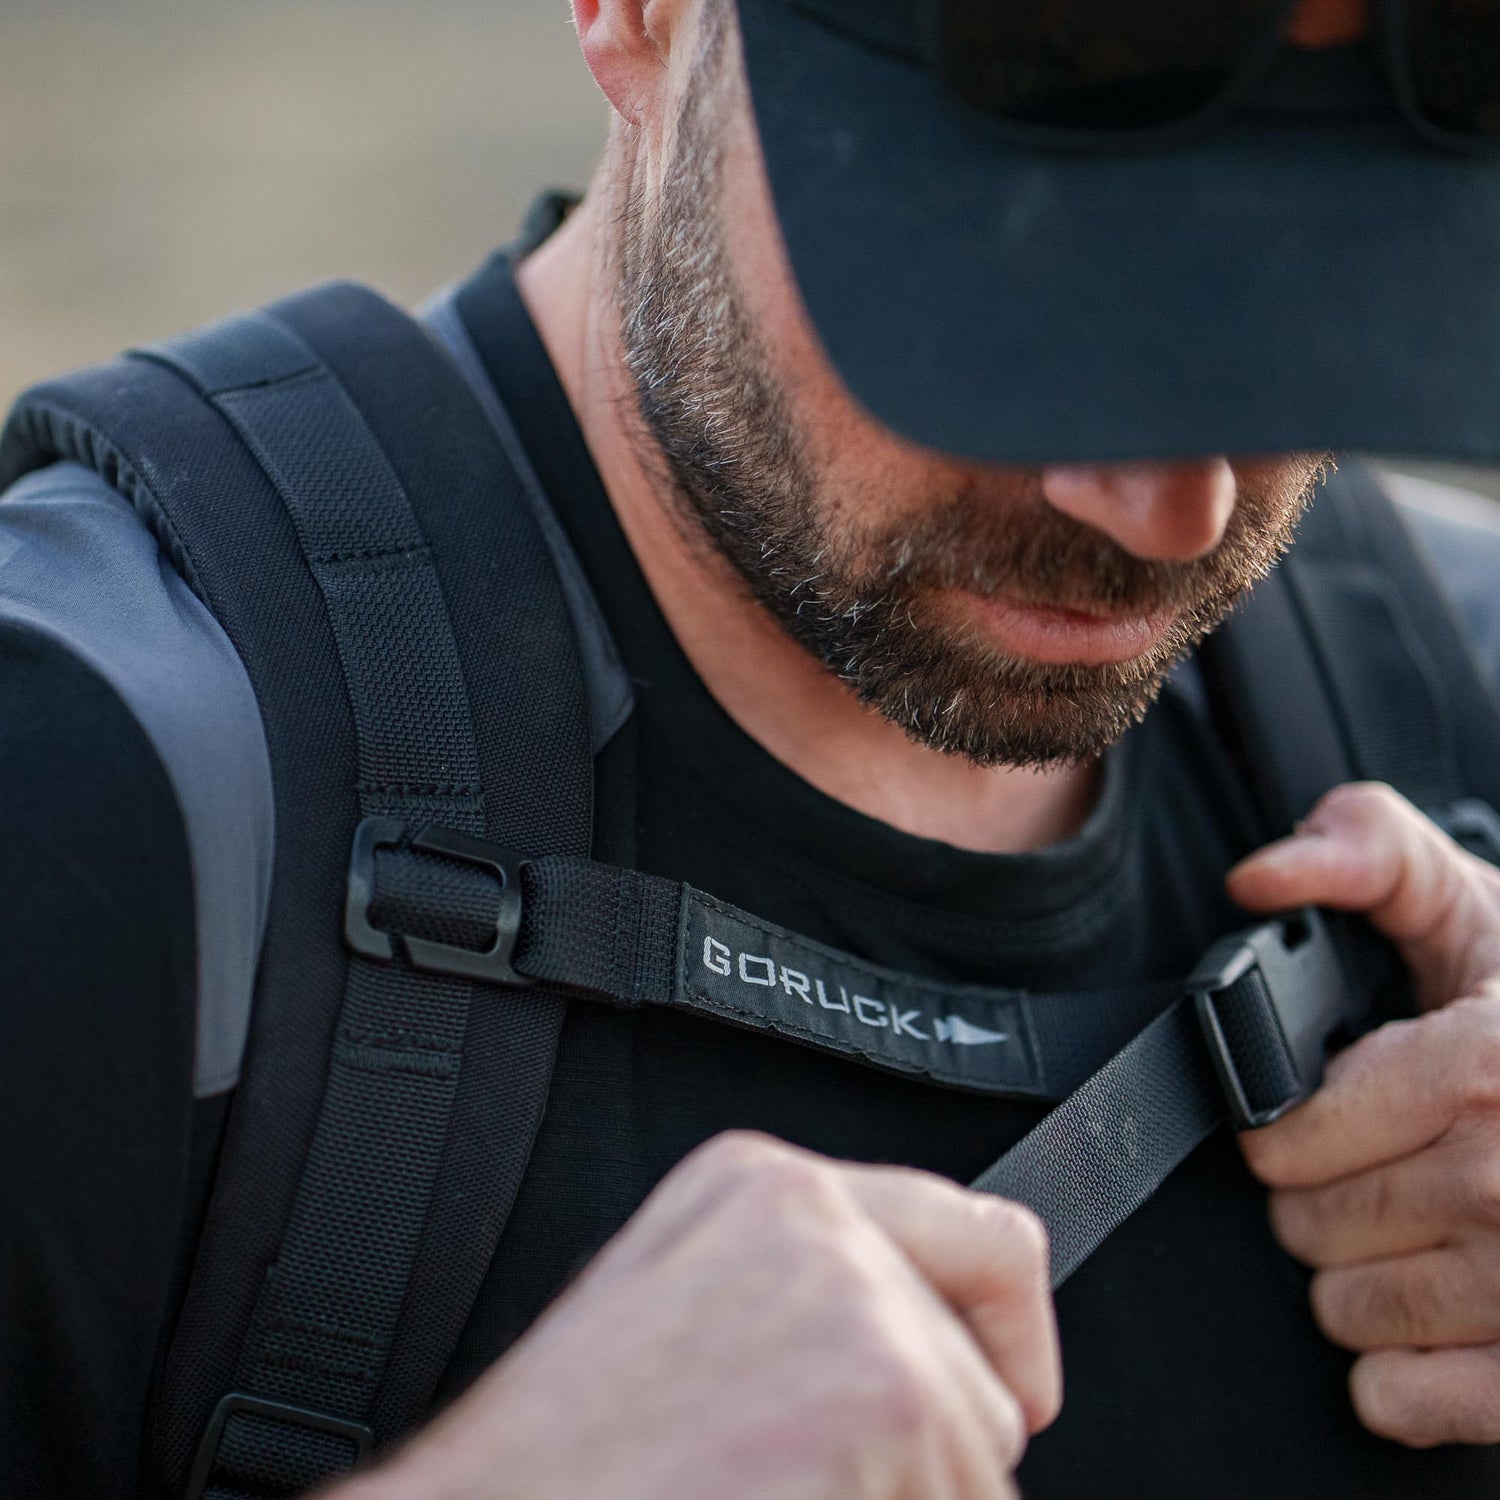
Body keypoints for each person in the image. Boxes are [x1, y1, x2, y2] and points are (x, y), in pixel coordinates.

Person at [5, 0, 1500, 1496]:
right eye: (1009, 293)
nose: (1171, 515)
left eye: (1303, 309)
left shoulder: (1461, 682)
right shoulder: (88, 779)